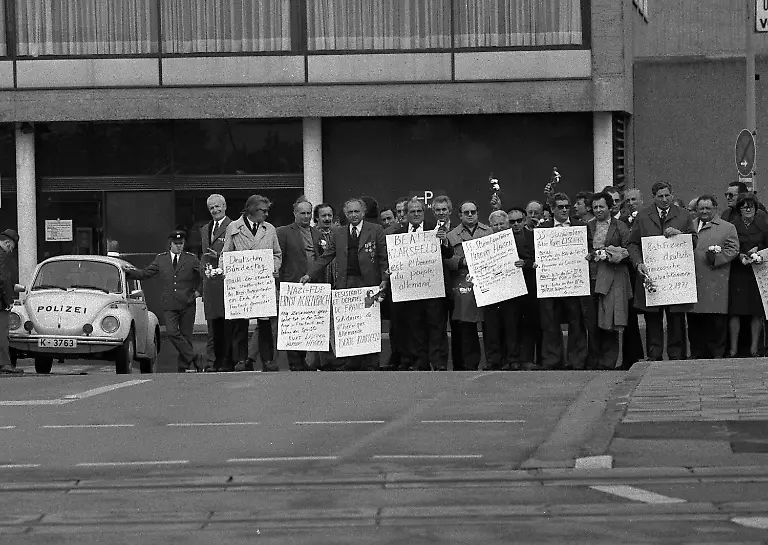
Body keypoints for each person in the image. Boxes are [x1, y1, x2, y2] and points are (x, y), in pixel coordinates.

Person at [302, 198, 388, 371]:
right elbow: (326, 256)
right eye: (350, 212)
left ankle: (371, 363)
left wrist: (384, 279)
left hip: (368, 283)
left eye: (357, 212)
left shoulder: (376, 230)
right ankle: (352, 361)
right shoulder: (338, 233)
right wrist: (309, 275)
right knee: (350, 324)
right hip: (346, 284)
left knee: (368, 323)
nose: (354, 215)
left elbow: (383, 257)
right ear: (346, 214)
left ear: (363, 212)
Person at [628, 181, 696, 361]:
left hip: (675, 275)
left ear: (672, 194)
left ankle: (677, 354)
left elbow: (694, 241)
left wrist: (681, 235)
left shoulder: (683, 214)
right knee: (653, 317)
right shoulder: (643, 216)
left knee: (676, 317)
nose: (665, 199)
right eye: (660, 196)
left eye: (667, 195)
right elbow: (632, 243)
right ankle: (654, 354)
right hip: (652, 274)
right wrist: (638, 263)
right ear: (653, 198)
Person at [125, 230, 203, 372]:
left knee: (186, 335)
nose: (179, 246)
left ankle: (184, 366)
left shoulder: (191, 259)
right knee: (172, 332)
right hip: (170, 303)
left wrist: (199, 291)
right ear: (170, 244)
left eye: (181, 243)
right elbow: (146, 273)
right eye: (176, 244)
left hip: (187, 302)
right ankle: (194, 357)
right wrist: (129, 272)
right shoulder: (161, 259)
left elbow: (203, 275)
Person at [222, 194, 282, 372]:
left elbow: (277, 254)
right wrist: (226, 274)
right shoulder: (234, 227)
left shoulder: (269, 229)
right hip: (242, 285)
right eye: (263, 211)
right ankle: (241, 359)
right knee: (240, 324)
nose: (266, 214)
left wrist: (274, 267)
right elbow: (226, 254)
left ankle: (268, 359)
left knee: (264, 324)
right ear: (252, 210)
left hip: (262, 284)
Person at [392, 198, 454, 371]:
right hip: (411, 288)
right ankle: (420, 361)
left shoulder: (434, 230)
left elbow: (448, 254)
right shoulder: (399, 234)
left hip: (433, 286)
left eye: (419, 211)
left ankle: (439, 362)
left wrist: (444, 241)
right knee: (415, 325)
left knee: (436, 325)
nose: (416, 214)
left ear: (424, 212)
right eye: (412, 211)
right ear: (406, 214)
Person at [536, 193, 589, 370]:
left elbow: (587, 249)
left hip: (573, 283)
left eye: (567, 206)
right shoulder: (542, 229)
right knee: (550, 322)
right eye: (560, 207)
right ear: (552, 209)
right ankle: (553, 360)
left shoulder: (580, 226)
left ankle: (577, 361)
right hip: (550, 283)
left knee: (577, 322)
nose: (565, 209)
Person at [687, 195, 739, 359]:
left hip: (716, 281)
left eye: (708, 208)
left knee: (715, 321)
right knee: (695, 321)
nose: (704, 211)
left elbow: (733, 249)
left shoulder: (727, 227)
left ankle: (717, 355)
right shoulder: (689, 226)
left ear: (715, 209)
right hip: (693, 281)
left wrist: (716, 259)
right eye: (701, 208)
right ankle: (697, 353)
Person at [585, 192, 632, 370]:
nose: (598, 210)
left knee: (610, 320)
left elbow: (629, 249)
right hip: (591, 278)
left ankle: (609, 360)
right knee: (593, 321)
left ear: (610, 207)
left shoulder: (619, 226)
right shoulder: (587, 226)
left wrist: (612, 253)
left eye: (601, 206)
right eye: (595, 207)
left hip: (612, 278)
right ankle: (594, 359)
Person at [277, 199, 324, 371]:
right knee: (293, 324)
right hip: (292, 284)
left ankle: (306, 360)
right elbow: (278, 259)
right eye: (302, 213)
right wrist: (280, 283)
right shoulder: (283, 232)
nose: (306, 216)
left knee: (308, 324)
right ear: (295, 214)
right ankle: (295, 362)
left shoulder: (317, 234)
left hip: (314, 285)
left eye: (308, 213)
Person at [446, 200, 493, 370]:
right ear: (460, 215)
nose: (470, 215)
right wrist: (462, 261)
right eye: (466, 212)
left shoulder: (489, 231)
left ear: (478, 213)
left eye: (473, 211)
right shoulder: (452, 235)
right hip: (463, 285)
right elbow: (447, 259)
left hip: (487, 283)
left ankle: (492, 361)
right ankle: (468, 364)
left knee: (490, 325)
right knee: (466, 327)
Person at [483, 211, 531, 370]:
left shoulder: (519, 240)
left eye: (501, 224)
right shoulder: (484, 243)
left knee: (512, 326)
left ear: (507, 224)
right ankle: (494, 360)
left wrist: (523, 263)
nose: (498, 227)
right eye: (495, 225)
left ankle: (513, 359)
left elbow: (529, 259)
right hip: (491, 292)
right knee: (492, 327)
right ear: (490, 226)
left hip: (512, 291)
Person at [726, 194, 768, 357]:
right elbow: (728, 246)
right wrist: (740, 256)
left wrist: (759, 251)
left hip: (757, 272)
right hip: (738, 272)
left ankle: (754, 348)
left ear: (756, 209)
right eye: (744, 206)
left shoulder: (763, 225)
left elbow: (767, 245)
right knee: (735, 311)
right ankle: (733, 349)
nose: (748, 209)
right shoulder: (732, 226)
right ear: (739, 209)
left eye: (751, 206)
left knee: (756, 311)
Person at [200, 194, 233, 372]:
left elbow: (237, 255)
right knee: (212, 327)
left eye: (218, 206)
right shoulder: (205, 229)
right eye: (212, 208)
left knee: (227, 327)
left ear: (225, 206)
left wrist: (219, 257)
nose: (215, 210)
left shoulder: (234, 227)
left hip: (226, 284)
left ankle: (225, 362)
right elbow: (203, 257)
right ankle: (211, 363)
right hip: (210, 285)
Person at [617, 187, 645, 366]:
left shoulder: (647, 218)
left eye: (634, 199)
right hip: (626, 272)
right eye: (627, 200)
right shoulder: (620, 222)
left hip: (644, 270)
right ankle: (630, 357)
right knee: (629, 317)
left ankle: (650, 353)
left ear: (641, 200)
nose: (631, 203)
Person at [310, 202, 338, 370]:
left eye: (329, 215)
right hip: (318, 284)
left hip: (336, 284)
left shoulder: (338, 233)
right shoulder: (312, 234)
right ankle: (319, 361)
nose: (327, 219)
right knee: (319, 324)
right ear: (317, 218)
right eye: (323, 216)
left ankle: (335, 359)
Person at [0, 229, 22, 374]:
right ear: (8, 243)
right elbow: (3, 279)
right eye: (11, 247)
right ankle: (5, 364)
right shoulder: (3, 257)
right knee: (2, 333)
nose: (11, 250)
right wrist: (9, 301)